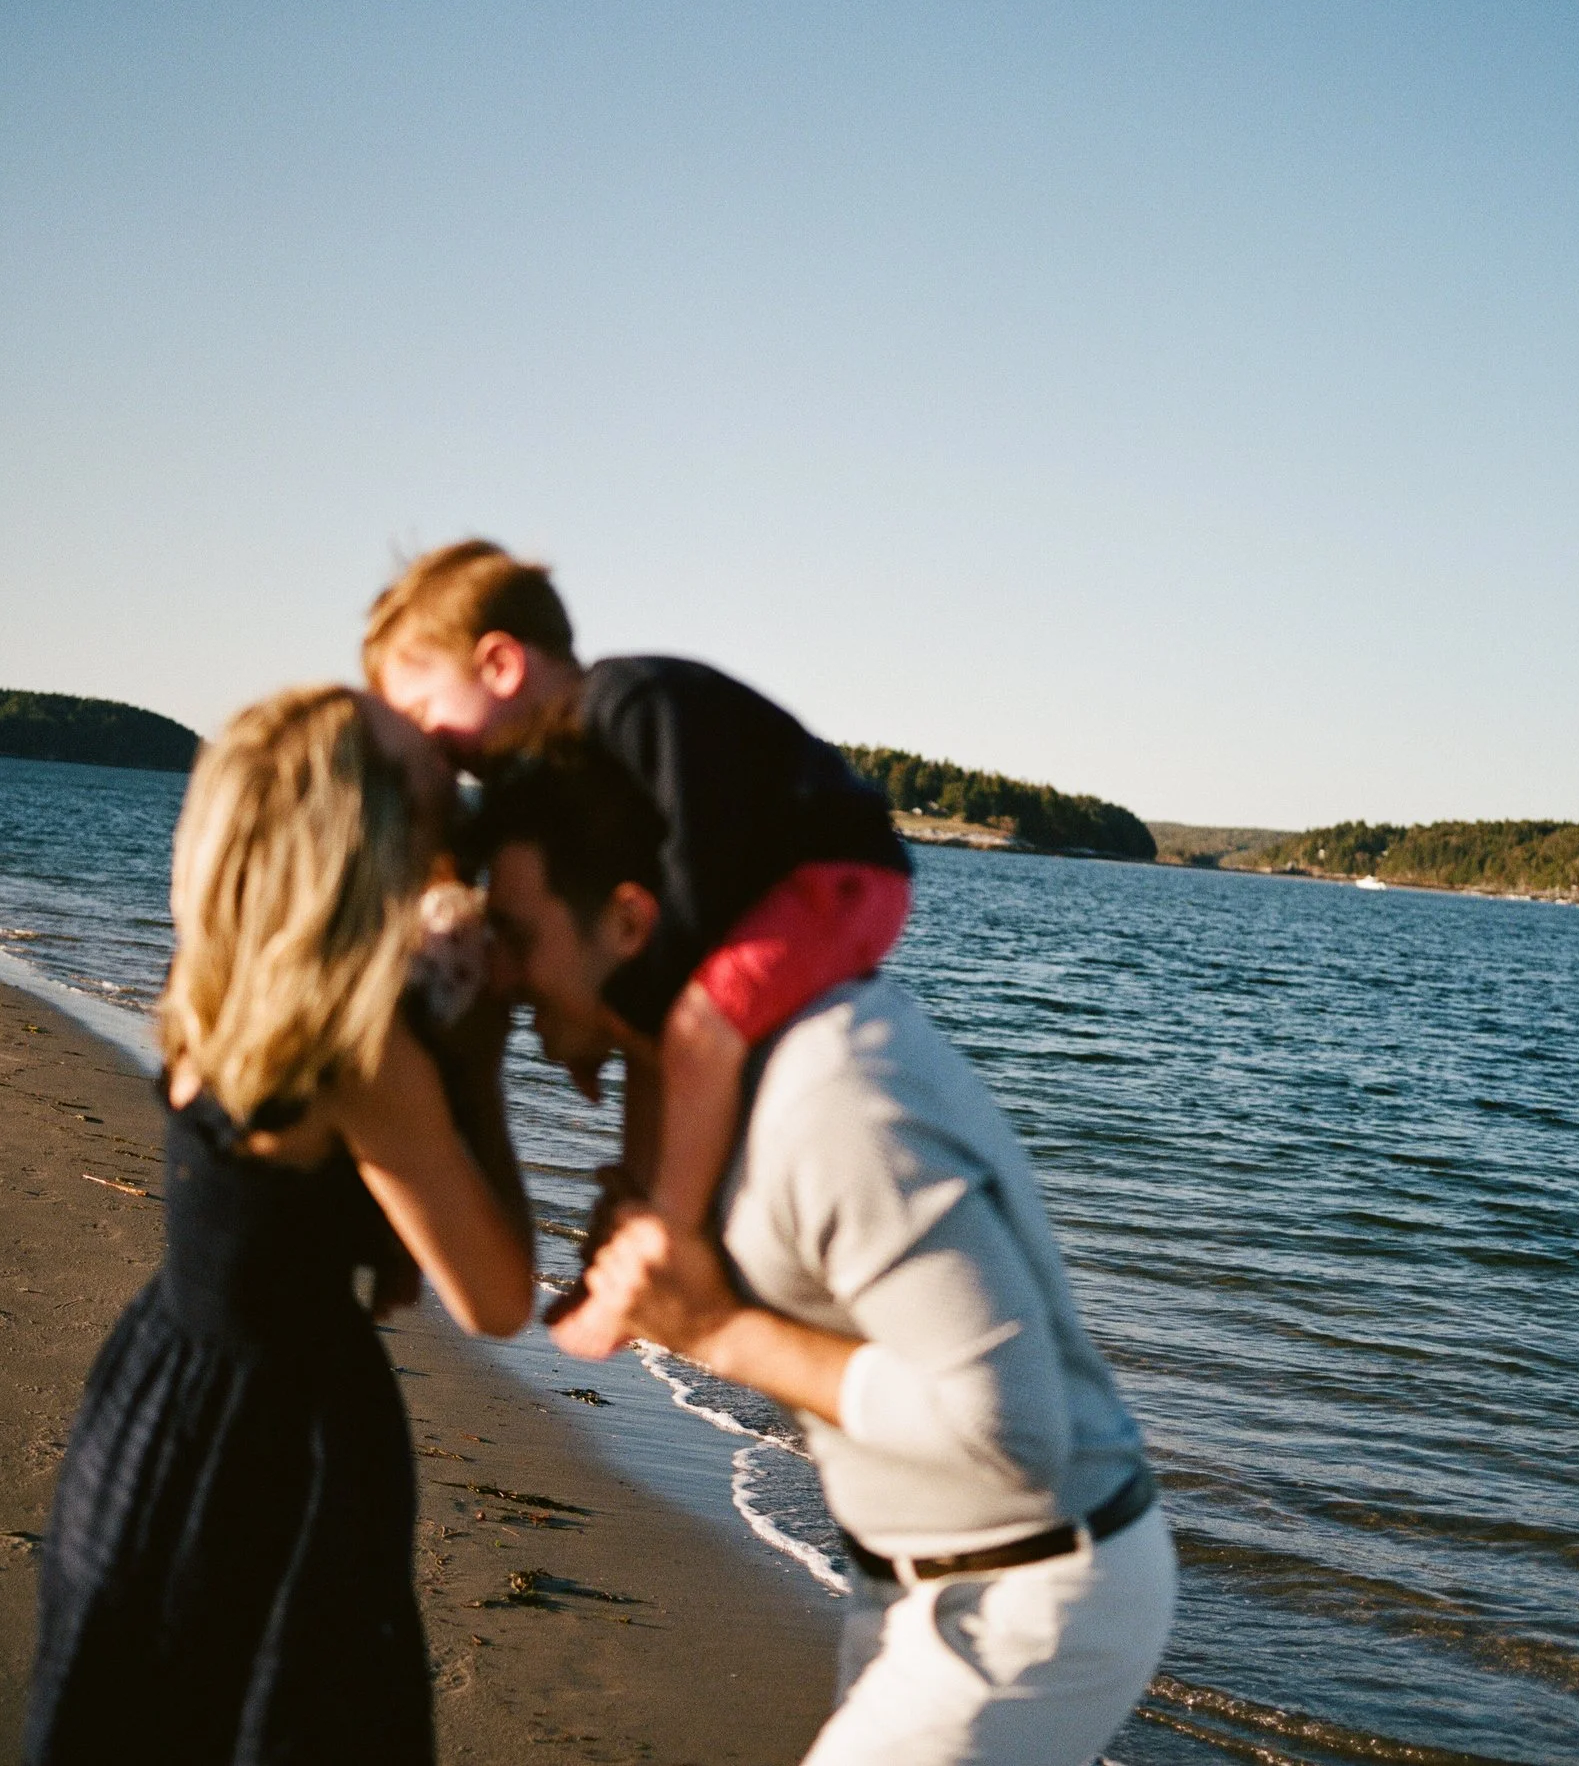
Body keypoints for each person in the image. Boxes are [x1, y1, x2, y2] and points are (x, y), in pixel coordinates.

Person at [473, 745, 1176, 1766]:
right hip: (916, 1582)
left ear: (628, 921)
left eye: (516, 935)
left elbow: (1009, 1428)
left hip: (1032, 1600)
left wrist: (717, 1329)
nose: (501, 972)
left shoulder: (833, 1096)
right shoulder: (704, 1075)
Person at [25, 686, 535, 1766]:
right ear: (365, 831)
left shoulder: (212, 983)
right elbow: (496, 1298)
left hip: (158, 1389)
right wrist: (484, 1050)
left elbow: (296, 1203)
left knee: (134, 1707)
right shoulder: (368, 1059)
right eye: (421, 770)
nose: (450, 777)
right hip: (282, 1444)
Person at [363, 539, 912, 1357]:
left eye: (426, 719)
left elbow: (695, 845)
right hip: (765, 891)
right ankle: (625, 1241)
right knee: (660, 1031)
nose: (436, 751)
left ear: (501, 665)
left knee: (689, 1029)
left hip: (836, 875)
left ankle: (663, 1248)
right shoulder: (546, 764)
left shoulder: (628, 702)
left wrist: (645, 997)